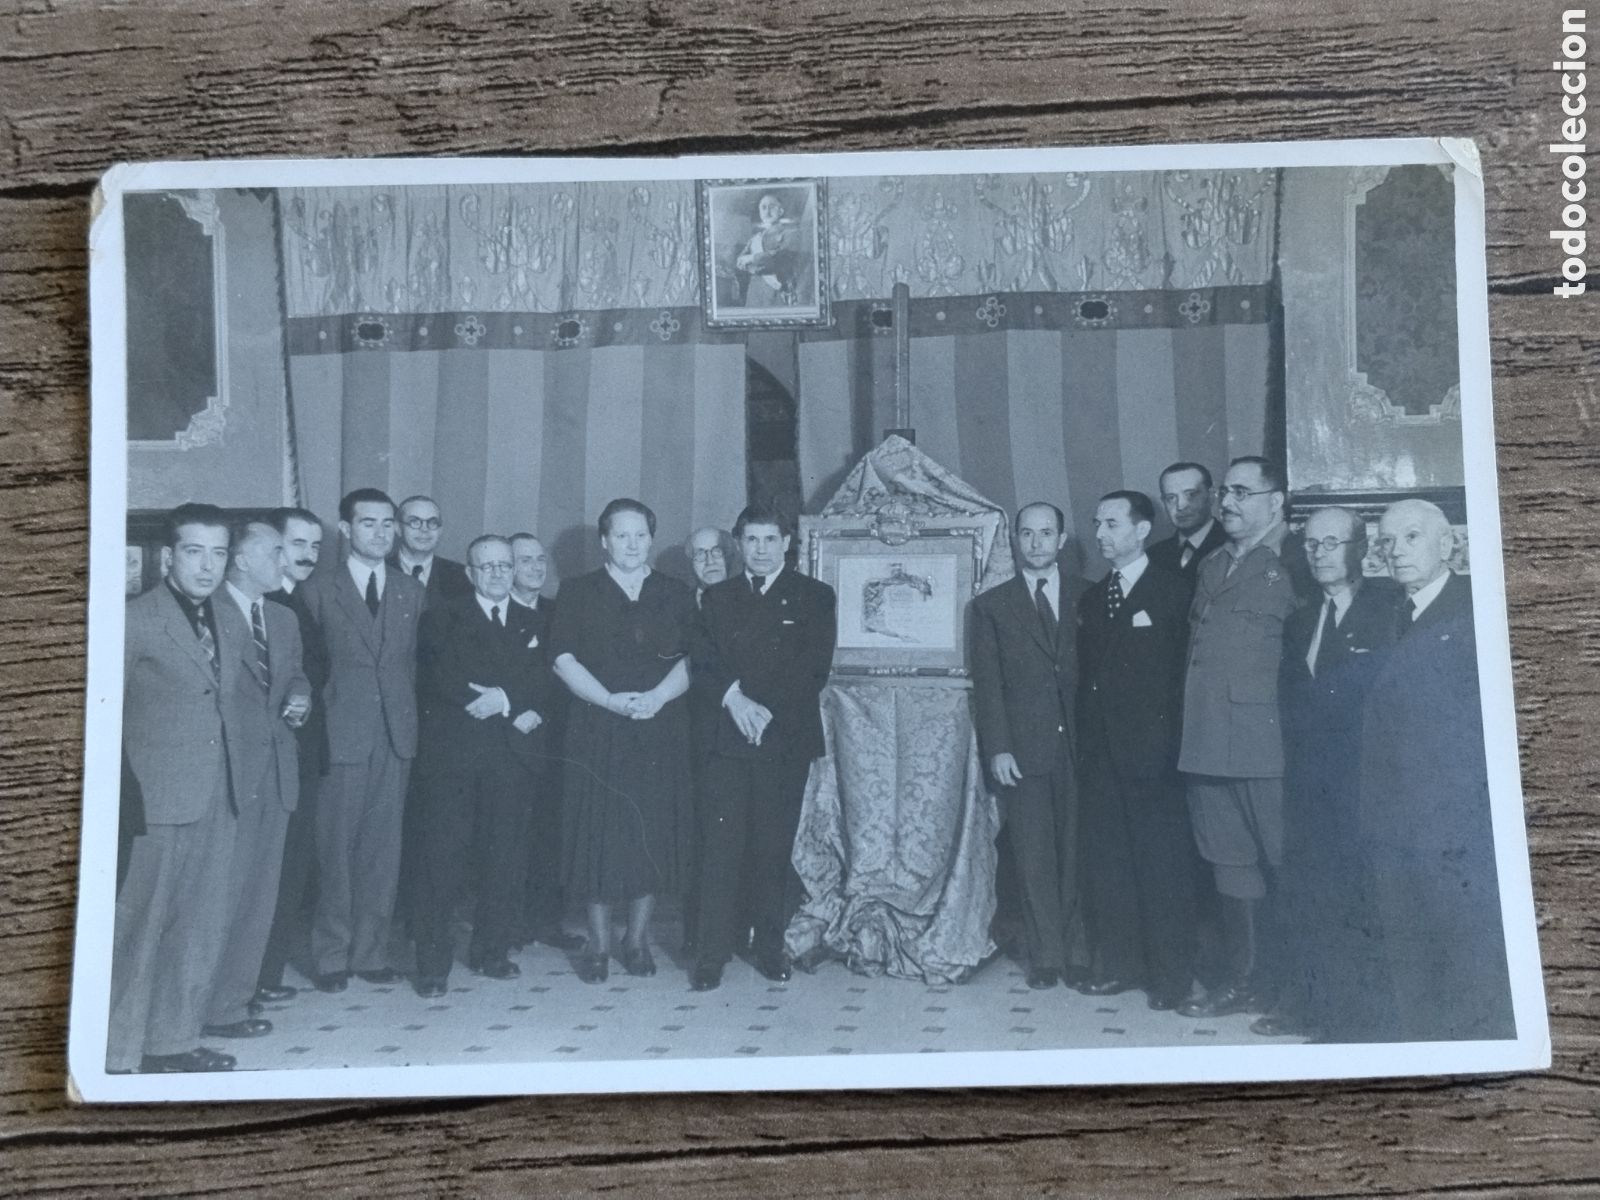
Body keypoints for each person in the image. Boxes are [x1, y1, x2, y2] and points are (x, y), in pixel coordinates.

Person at [1357, 499, 1514, 1041]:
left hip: (1451, 829)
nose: (1396, 551)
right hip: (1392, 822)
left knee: (1467, 960)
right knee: (1408, 957)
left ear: (1449, 545)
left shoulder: (1476, 611)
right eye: (1388, 541)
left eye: (1412, 537)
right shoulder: (1388, 612)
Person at [1253, 506, 1398, 1039]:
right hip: (1309, 785)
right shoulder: (1300, 617)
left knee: (1364, 897)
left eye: (1332, 543)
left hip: (1367, 783)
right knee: (1310, 893)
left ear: (1361, 549)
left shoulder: (1390, 609)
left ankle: (1358, 1018)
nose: (1319, 554)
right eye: (1312, 544)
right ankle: (1311, 1004)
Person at [110, 504, 245, 1073]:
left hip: (219, 794)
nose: (208, 566)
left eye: (219, 553)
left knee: (199, 923)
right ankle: (116, 1054)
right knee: (142, 927)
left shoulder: (229, 618)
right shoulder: (135, 619)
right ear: (169, 556)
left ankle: (172, 1042)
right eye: (195, 551)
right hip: (157, 800)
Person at [688, 503, 836, 991]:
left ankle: (770, 947)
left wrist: (761, 712)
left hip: (783, 739)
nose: (761, 549)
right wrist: (736, 702)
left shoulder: (815, 596)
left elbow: (813, 667)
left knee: (773, 848)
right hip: (727, 739)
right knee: (721, 847)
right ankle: (711, 954)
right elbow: (705, 662)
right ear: (739, 545)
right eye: (751, 541)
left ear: (787, 543)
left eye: (770, 540)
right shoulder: (718, 597)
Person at [549, 499, 694, 983]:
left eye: (640, 536)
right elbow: (563, 659)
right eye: (621, 536)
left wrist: (656, 698)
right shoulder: (577, 592)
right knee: (598, 835)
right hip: (598, 726)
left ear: (650, 540)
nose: (631, 545)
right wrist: (610, 701)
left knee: (648, 835)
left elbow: (694, 660)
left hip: (658, 726)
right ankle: (598, 944)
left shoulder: (676, 592)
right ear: (605, 541)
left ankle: (636, 941)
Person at [1176, 456, 1302, 1019]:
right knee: (1229, 862)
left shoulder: (1298, 559)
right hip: (1205, 739)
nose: (1227, 502)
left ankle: (1296, 989)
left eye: (1243, 493)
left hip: (1266, 745)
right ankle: (1245, 980)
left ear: (1277, 501)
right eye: (1225, 492)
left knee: (1285, 863)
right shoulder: (1213, 564)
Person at [409, 536, 552, 996]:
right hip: (454, 761)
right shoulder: (441, 618)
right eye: (485, 567)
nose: (496, 574)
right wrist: (506, 696)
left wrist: (504, 697)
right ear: (468, 573)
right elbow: (445, 675)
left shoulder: (538, 621)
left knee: (504, 860)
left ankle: (492, 952)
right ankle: (432, 966)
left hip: (512, 761)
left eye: (504, 566)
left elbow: (547, 678)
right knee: (442, 863)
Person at [297, 488, 424, 992]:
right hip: (341, 735)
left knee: (382, 850)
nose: (380, 533)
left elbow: (411, 666)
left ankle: (371, 953)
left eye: (387, 524)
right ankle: (331, 956)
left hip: (395, 737)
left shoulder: (410, 590)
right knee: (336, 848)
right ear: (345, 529)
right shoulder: (317, 590)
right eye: (368, 523)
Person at [1075, 491, 1197, 1011]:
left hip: (1156, 758)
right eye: (1097, 522)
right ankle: (1122, 965)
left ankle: (1172, 977)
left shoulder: (1175, 589)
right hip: (1102, 757)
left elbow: (1181, 679)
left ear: (1143, 529)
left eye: (1113, 523)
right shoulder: (1092, 597)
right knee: (1112, 863)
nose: (1101, 533)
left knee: (1163, 867)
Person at [971, 501, 1087, 990]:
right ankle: (1048, 956)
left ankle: (1080, 951)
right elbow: (989, 685)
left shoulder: (1091, 596)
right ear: (1015, 540)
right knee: (1034, 853)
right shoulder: (990, 607)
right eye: (1027, 534)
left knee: (1079, 850)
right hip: (1024, 750)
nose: (1036, 543)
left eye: (1046, 533)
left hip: (1083, 748)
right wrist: (999, 747)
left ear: (1062, 540)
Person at [204, 520, 311, 1040]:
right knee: (216, 897)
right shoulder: (208, 612)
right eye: (275, 552)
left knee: (258, 897)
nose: (285, 561)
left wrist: (301, 695)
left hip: (275, 776)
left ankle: (229, 1005)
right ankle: (192, 1008)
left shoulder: (284, 619)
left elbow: (295, 675)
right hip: (224, 776)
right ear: (241, 560)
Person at [255, 506, 329, 1007]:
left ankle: (264, 975)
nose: (306, 554)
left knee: (288, 868)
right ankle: (252, 977)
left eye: (314, 546)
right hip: (266, 759)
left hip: (300, 755)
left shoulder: (295, 604)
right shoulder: (257, 605)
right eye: (295, 543)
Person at [507, 532, 584, 954]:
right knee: (511, 834)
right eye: (524, 561)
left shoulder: (560, 612)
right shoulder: (498, 612)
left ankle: (547, 920)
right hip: (512, 738)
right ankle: (510, 922)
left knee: (550, 833)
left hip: (555, 738)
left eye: (540, 560)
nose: (535, 568)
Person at [681, 526, 737, 957]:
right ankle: (699, 938)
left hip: (747, 735)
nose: (710, 560)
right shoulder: (682, 607)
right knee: (700, 838)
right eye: (700, 555)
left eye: (717, 551)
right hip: (696, 738)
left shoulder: (751, 599)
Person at [391, 495, 472, 610]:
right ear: (398, 528)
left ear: (440, 531)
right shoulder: (380, 571)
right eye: (414, 522)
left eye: (432, 522)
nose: (424, 529)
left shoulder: (462, 577)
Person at [1149, 462, 1227, 582]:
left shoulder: (1233, 546)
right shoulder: (1153, 556)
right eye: (1171, 498)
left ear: (1211, 496)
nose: (1180, 506)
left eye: (1191, 495)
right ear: (1163, 501)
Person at [735, 191, 805, 308]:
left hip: (777, 293)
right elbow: (740, 262)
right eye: (763, 207)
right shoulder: (755, 238)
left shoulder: (791, 233)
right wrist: (757, 267)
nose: (767, 211)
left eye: (772, 207)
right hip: (754, 293)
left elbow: (781, 258)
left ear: (780, 211)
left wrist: (753, 258)